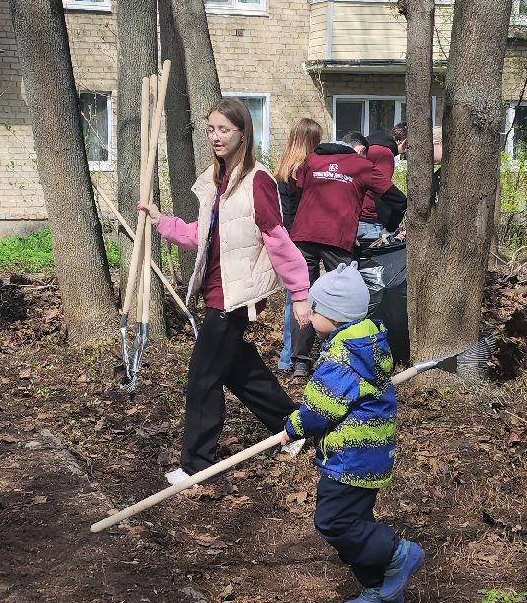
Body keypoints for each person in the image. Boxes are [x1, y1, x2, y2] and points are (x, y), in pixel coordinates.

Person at [139, 98, 313, 484]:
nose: (216, 137)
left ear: (242, 134)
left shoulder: (257, 181)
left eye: (224, 130)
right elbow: (205, 235)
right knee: (240, 370)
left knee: (203, 377)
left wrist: (299, 293)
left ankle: (197, 463)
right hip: (216, 290)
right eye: (212, 129)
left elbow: (277, 239)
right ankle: (295, 429)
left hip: (233, 297)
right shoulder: (218, 179)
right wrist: (162, 223)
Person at [275, 264, 423, 603]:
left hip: (351, 458)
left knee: (334, 523)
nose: (309, 315)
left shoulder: (342, 359)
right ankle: (383, 591)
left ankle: (399, 554)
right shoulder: (364, 344)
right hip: (367, 455)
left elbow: (318, 410)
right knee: (356, 524)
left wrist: (292, 428)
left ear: (337, 315)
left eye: (316, 309)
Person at [289, 135, 385, 376]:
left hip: (303, 235)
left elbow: (296, 192)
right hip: (338, 238)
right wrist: (391, 223)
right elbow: (393, 195)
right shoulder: (361, 165)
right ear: (360, 150)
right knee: (348, 295)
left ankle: (300, 360)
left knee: (303, 295)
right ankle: (346, 354)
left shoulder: (311, 160)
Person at [270, 118, 320, 373]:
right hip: (300, 237)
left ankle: (287, 356)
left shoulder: (283, 166)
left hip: (285, 236)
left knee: (292, 298)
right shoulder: (304, 170)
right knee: (301, 297)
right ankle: (292, 355)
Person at [357, 132, 399, 243]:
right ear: (404, 142)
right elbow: (381, 189)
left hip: (353, 217)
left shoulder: (367, 149)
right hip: (369, 221)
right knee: (374, 259)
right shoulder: (385, 154)